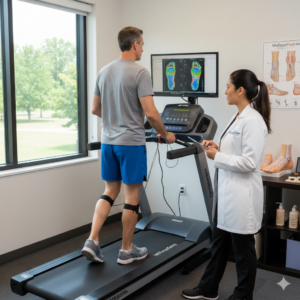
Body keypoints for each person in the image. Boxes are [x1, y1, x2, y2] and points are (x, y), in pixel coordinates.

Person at [81, 27, 176, 265]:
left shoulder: (103, 71)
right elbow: (152, 114)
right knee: (131, 197)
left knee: (109, 191)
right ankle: (126, 250)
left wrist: (115, 119)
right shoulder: (140, 72)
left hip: (109, 143)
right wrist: (166, 134)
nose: (143, 48)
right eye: (142, 44)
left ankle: (92, 240)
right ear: (134, 44)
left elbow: (95, 109)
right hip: (131, 143)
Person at [182, 69, 271, 300]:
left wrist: (217, 157)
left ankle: (243, 296)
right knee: (219, 246)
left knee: (243, 253)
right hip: (227, 195)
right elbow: (236, 152)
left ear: (240, 90)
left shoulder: (252, 120)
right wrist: (218, 148)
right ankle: (208, 288)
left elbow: (250, 162)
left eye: (228, 87)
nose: (225, 91)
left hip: (241, 198)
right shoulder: (238, 116)